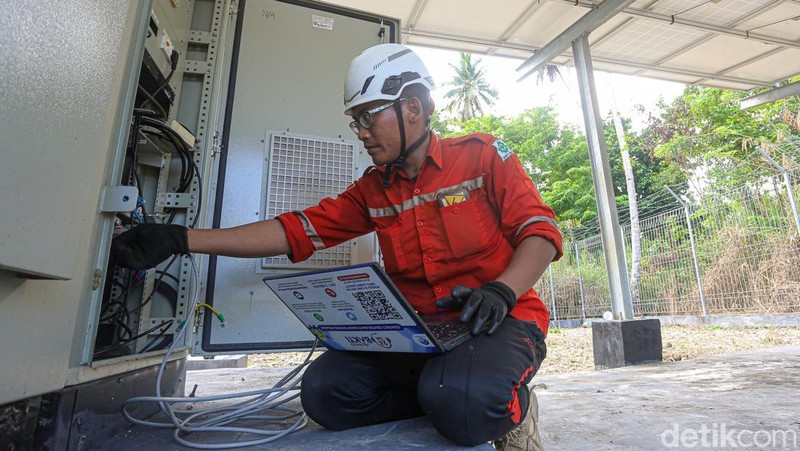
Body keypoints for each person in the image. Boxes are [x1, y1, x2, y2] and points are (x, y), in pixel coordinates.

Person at [112, 43, 562, 450]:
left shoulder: (484, 156)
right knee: (325, 394)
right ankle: (444, 394)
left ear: (411, 108)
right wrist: (182, 239)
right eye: (355, 121)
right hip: (423, 334)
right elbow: (293, 231)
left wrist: (502, 290)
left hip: (498, 320)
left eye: (368, 117)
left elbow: (540, 231)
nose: (361, 132)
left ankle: (509, 410)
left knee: (465, 404)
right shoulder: (372, 190)